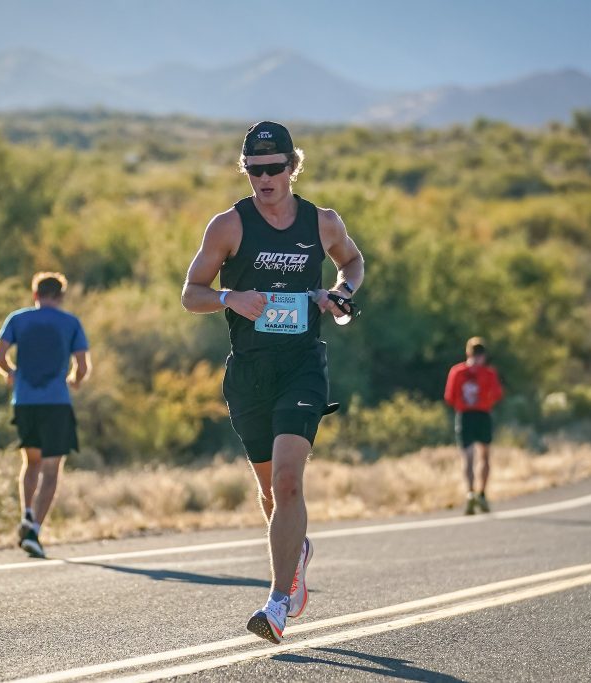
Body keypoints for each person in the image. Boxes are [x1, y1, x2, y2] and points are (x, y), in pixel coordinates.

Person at [181, 121, 364, 644]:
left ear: (292, 167)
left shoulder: (321, 222)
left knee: (288, 480)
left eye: (274, 168)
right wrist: (227, 298)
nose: (265, 178)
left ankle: (278, 602)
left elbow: (352, 262)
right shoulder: (228, 226)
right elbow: (190, 292)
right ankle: (296, 551)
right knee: (268, 491)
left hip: (302, 364)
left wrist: (341, 294)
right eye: (255, 170)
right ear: (246, 171)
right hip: (249, 371)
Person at [0, 272, 91, 559]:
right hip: (56, 403)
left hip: (24, 402)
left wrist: (10, 374)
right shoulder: (70, 323)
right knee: (51, 469)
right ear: (60, 297)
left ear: (35, 295)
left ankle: (26, 512)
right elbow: (82, 365)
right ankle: (34, 529)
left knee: (31, 462)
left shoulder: (17, 319)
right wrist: (75, 381)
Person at [444, 337, 504, 515]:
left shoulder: (457, 371)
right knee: (484, 456)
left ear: (467, 353)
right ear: (483, 355)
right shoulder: (488, 373)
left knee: (468, 457)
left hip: (465, 415)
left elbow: (449, 397)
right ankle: (481, 494)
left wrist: (463, 403)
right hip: (482, 414)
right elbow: (497, 394)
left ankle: (470, 493)